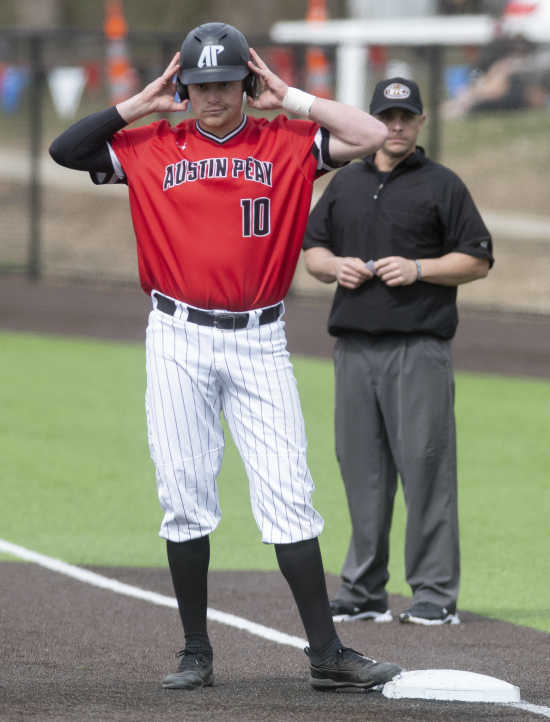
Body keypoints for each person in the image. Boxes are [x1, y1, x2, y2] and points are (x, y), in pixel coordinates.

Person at [49, 22, 401, 691]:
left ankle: (327, 653)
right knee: (184, 492)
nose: (212, 96)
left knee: (289, 494)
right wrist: (139, 104)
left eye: (225, 82)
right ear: (185, 85)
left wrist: (291, 97)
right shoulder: (151, 144)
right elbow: (65, 150)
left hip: (259, 336)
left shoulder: (288, 142)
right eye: (201, 84)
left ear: (247, 81)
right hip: (177, 334)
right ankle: (195, 651)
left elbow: (370, 135)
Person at [303, 77, 494, 626]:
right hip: (354, 350)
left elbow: (477, 259)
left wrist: (419, 269)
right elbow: (313, 249)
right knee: (361, 473)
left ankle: (433, 594)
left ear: (420, 122)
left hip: (419, 349)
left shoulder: (443, 185)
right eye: (386, 116)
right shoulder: (346, 183)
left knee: (426, 470)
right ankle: (363, 590)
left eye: (405, 116)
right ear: (372, 120)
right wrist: (332, 266)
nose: (395, 127)